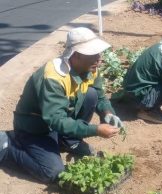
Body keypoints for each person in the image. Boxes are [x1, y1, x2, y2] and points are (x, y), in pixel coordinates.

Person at [0, 27, 123, 183]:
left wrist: (108, 113)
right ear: (76, 55)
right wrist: (95, 130)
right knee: (52, 172)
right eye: (94, 54)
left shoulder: (90, 68)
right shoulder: (54, 76)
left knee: (91, 95)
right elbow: (56, 120)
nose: (99, 59)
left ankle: (68, 140)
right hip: (35, 128)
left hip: (57, 120)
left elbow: (99, 96)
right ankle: (7, 145)